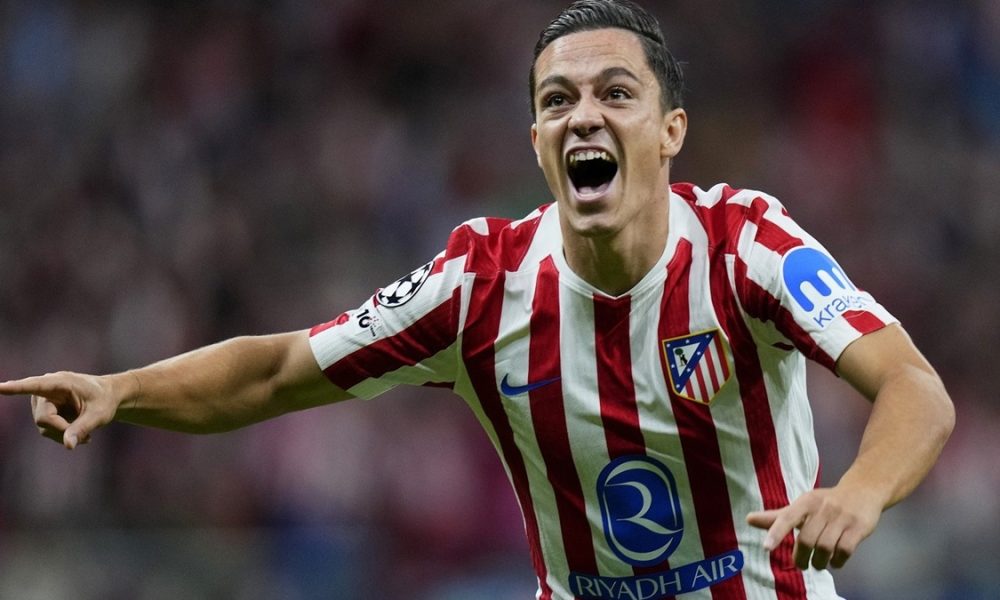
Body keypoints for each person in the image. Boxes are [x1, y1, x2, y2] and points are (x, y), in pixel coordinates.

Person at [1, 1, 954, 598]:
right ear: (537, 143)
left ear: (670, 131)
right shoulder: (480, 287)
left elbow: (914, 386)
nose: (583, 115)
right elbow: (282, 368)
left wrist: (860, 492)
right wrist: (122, 390)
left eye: (615, 94)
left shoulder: (746, 245)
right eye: (557, 101)